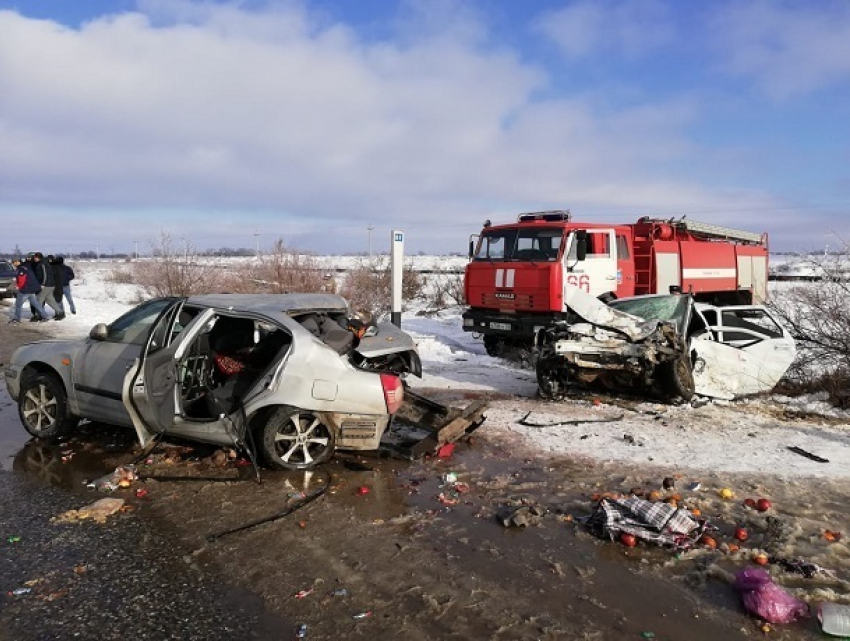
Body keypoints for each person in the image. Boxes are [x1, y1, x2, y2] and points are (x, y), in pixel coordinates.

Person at [31, 252, 64, 320]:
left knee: (39, 300)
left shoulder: (42, 264)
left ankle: (39, 315)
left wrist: (43, 284)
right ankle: (60, 313)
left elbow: (45, 274)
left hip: (46, 285)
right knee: (50, 300)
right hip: (50, 285)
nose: (34, 259)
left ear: (38, 257)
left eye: (35, 257)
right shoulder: (45, 263)